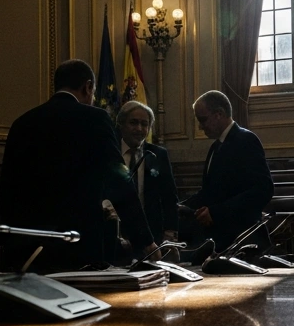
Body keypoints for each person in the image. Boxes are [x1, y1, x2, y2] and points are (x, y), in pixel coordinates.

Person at [0, 59, 156, 271]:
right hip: (78, 246)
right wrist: (145, 241)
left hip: (26, 247)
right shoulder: (95, 119)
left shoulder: (22, 123)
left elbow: (8, 189)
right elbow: (119, 182)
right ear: (88, 86)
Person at [182, 90, 274, 253]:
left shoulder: (246, 140)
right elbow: (210, 192)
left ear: (219, 114)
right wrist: (181, 206)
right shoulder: (216, 146)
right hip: (221, 240)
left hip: (244, 241)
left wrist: (216, 213)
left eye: (202, 119)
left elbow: (263, 190)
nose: (200, 126)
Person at [115, 100, 179, 245]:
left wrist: (170, 235)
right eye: (133, 122)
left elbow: (169, 197)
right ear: (121, 124)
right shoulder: (111, 153)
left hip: (151, 236)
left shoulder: (158, 155)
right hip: (115, 235)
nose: (139, 128)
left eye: (144, 124)